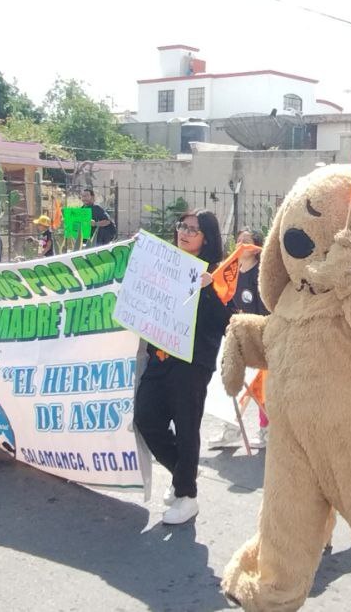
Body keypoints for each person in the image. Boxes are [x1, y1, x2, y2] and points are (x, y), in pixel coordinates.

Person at [133, 210, 231, 523]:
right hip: (159, 357)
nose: (184, 232)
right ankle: (182, 476)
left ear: (207, 237)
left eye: (194, 229)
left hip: (191, 364)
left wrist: (207, 290)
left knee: (187, 428)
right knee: (146, 418)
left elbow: (226, 321)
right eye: (182, 226)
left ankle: (187, 496)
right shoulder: (166, 263)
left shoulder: (219, 273)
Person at [209, 230, 270, 450]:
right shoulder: (230, 272)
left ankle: (266, 432)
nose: (241, 244)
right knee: (232, 382)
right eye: (239, 240)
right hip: (238, 336)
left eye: (247, 241)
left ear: (256, 248)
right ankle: (231, 428)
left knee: (260, 387)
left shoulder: (261, 274)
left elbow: (265, 308)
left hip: (259, 335)